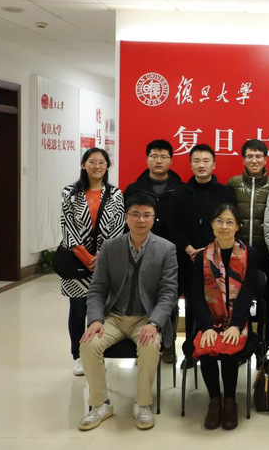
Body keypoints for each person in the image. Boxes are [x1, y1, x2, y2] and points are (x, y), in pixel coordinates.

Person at [77, 193, 178, 431]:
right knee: (88, 344)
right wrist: (95, 319)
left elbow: (168, 293)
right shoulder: (111, 247)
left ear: (153, 218)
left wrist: (154, 323)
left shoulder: (166, 249)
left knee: (150, 345)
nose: (141, 220)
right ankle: (100, 404)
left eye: (146, 215)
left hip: (145, 318)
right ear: (126, 217)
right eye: (135, 214)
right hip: (113, 317)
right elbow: (97, 289)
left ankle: (142, 404)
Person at [191, 204, 260, 431]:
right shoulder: (202, 256)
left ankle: (230, 401)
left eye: (230, 222)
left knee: (229, 350)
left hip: (238, 320)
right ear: (212, 224)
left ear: (237, 226)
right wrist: (207, 327)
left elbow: (248, 293)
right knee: (207, 349)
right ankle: (214, 400)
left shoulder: (249, 254)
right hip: (209, 320)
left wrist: (236, 325)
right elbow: (196, 296)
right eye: (219, 221)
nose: (224, 226)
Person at [59, 147, 125, 377]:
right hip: (76, 262)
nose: (97, 166)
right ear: (83, 165)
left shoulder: (116, 194)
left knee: (99, 312)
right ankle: (78, 356)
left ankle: (95, 354)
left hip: (105, 263)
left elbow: (118, 228)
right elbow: (67, 226)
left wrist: (101, 257)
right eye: (92, 161)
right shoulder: (69, 193)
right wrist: (87, 258)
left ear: (107, 166)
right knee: (78, 311)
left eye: (101, 162)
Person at [170, 144, 236, 361]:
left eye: (206, 161)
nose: (201, 165)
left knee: (217, 304)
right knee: (192, 304)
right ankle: (190, 353)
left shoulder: (225, 192)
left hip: (217, 258)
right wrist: (190, 249)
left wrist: (209, 250)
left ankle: (216, 349)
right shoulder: (179, 192)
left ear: (214, 164)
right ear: (190, 165)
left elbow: (228, 223)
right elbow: (174, 225)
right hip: (187, 259)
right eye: (196, 161)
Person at [124, 138, 183, 362]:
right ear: (147, 159)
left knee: (170, 298)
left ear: (171, 160)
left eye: (163, 157)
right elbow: (125, 222)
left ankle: (168, 344)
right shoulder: (134, 189)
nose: (159, 161)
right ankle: (142, 342)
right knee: (142, 297)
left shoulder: (181, 189)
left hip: (171, 253)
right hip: (139, 252)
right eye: (154, 156)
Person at [226, 138, 269, 275]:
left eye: (258, 156)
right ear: (243, 160)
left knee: (264, 284)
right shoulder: (233, 183)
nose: (254, 161)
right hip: (237, 250)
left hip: (266, 252)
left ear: (265, 159)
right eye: (249, 156)